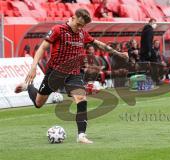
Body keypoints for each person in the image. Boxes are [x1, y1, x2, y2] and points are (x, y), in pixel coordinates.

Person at [14, 9, 128, 144]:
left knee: (81, 99)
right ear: (73, 17)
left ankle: (81, 135)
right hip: (55, 73)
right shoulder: (58, 30)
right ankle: (29, 87)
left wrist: (117, 53)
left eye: (82, 26)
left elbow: (98, 44)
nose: (80, 28)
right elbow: (42, 48)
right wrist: (33, 67)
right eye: (78, 24)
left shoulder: (82, 33)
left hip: (74, 73)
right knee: (39, 103)